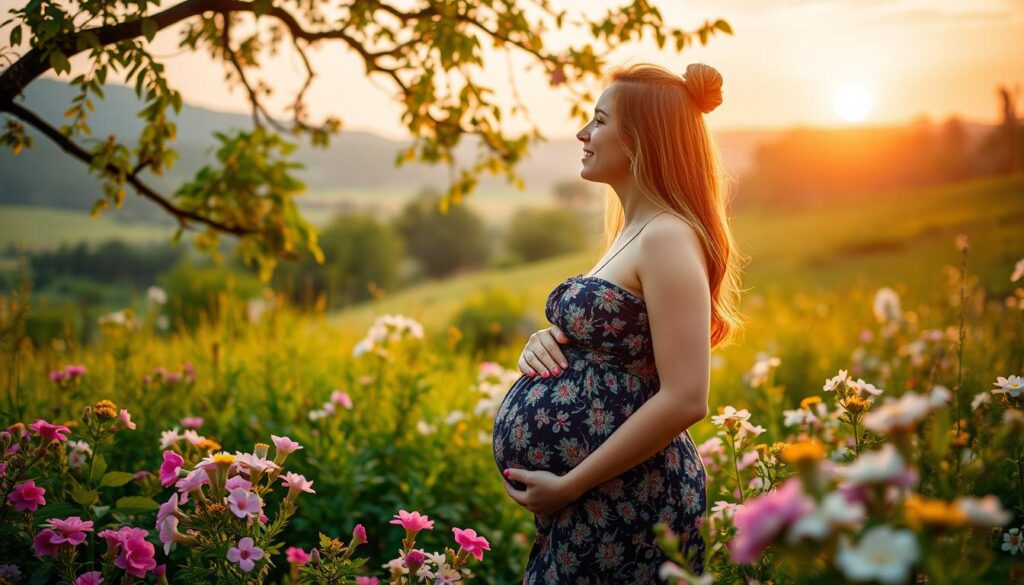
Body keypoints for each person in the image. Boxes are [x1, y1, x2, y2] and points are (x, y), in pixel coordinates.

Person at [491, 62, 746, 583]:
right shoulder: (635, 232)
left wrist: (572, 484)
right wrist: (548, 342)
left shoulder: (668, 237)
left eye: (598, 121)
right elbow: (616, 341)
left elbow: (687, 397)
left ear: (641, 140)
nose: (583, 134)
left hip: (631, 502)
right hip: (600, 502)